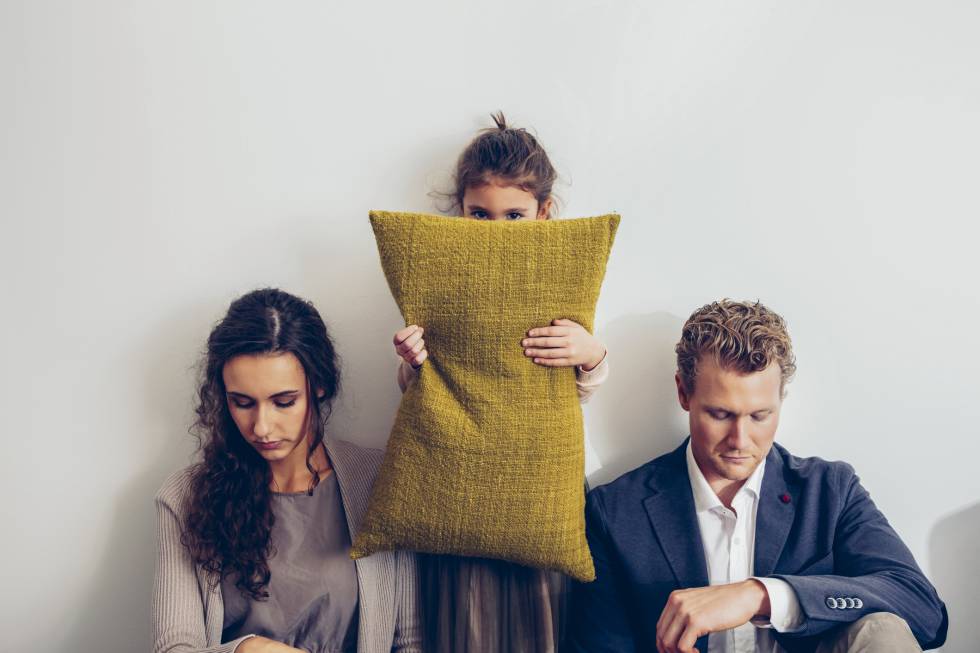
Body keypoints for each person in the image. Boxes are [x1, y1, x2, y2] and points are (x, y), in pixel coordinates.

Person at [568, 299, 947, 653]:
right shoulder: (615, 511)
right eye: (720, 414)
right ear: (684, 393)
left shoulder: (830, 491)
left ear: (781, 400)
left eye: (760, 416)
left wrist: (762, 595)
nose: (740, 439)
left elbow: (925, 611)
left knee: (882, 629)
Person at [391, 113, 609, 653]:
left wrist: (590, 353)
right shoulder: (440, 276)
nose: (496, 230)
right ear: (460, 210)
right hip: (457, 484)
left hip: (539, 487)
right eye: (480, 214)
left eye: (514, 215)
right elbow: (426, 389)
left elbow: (576, 391)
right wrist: (413, 362)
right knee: (465, 625)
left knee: (540, 624)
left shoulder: (560, 278)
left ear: (543, 212)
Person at [153, 288, 420, 653]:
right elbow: (173, 648)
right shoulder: (184, 497)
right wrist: (247, 650)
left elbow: (409, 642)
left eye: (283, 402)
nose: (261, 427)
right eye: (242, 403)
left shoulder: (378, 481)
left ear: (318, 386)